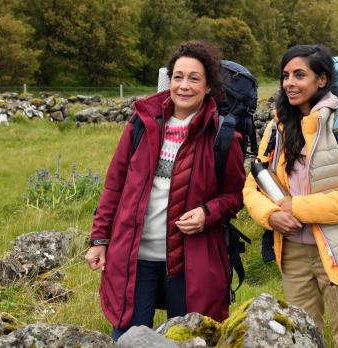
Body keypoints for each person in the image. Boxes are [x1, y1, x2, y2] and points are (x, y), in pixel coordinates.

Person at [86, 40, 246, 340]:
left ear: (209, 85)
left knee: (186, 339)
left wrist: (207, 212)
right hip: (135, 257)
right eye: (178, 77)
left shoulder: (223, 136)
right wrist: (99, 239)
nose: (184, 85)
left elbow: (235, 196)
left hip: (191, 262)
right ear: (169, 80)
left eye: (194, 78)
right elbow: (114, 186)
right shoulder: (140, 125)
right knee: (127, 338)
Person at [243, 44, 338, 348]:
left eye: (299, 75)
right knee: (303, 338)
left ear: (321, 79)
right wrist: (270, 215)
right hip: (292, 253)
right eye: (285, 76)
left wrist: (297, 207)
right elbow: (252, 187)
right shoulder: (276, 127)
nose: (289, 83)